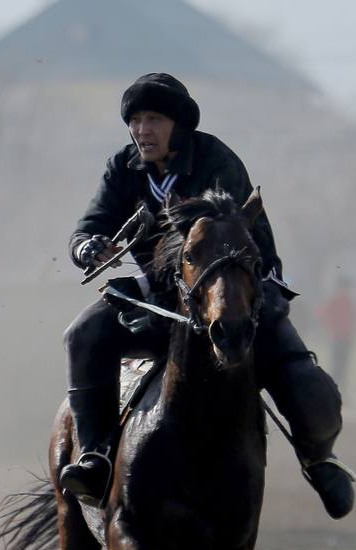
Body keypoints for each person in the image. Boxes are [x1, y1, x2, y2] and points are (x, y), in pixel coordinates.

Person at [62, 73, 352, 518]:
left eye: (154, 119)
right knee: (81, 334)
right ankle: (97, 455)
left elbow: (234, 237)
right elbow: (91, 223)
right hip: (161, 295)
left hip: (231, 288)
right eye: (135, 120)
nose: (143, 130)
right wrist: (88, 246)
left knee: (300, 376)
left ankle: (318, 459)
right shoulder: (122, 167)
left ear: (178, 124)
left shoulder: (217, 160)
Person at [315, 275, 352, 397]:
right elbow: (321, 313)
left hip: (342, 337)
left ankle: (337, 391)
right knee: (338, 365)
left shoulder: (344, 299)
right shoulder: (338, 299)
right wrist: (330, 327)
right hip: (339, 338)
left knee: (340, 365)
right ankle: (333, 390)